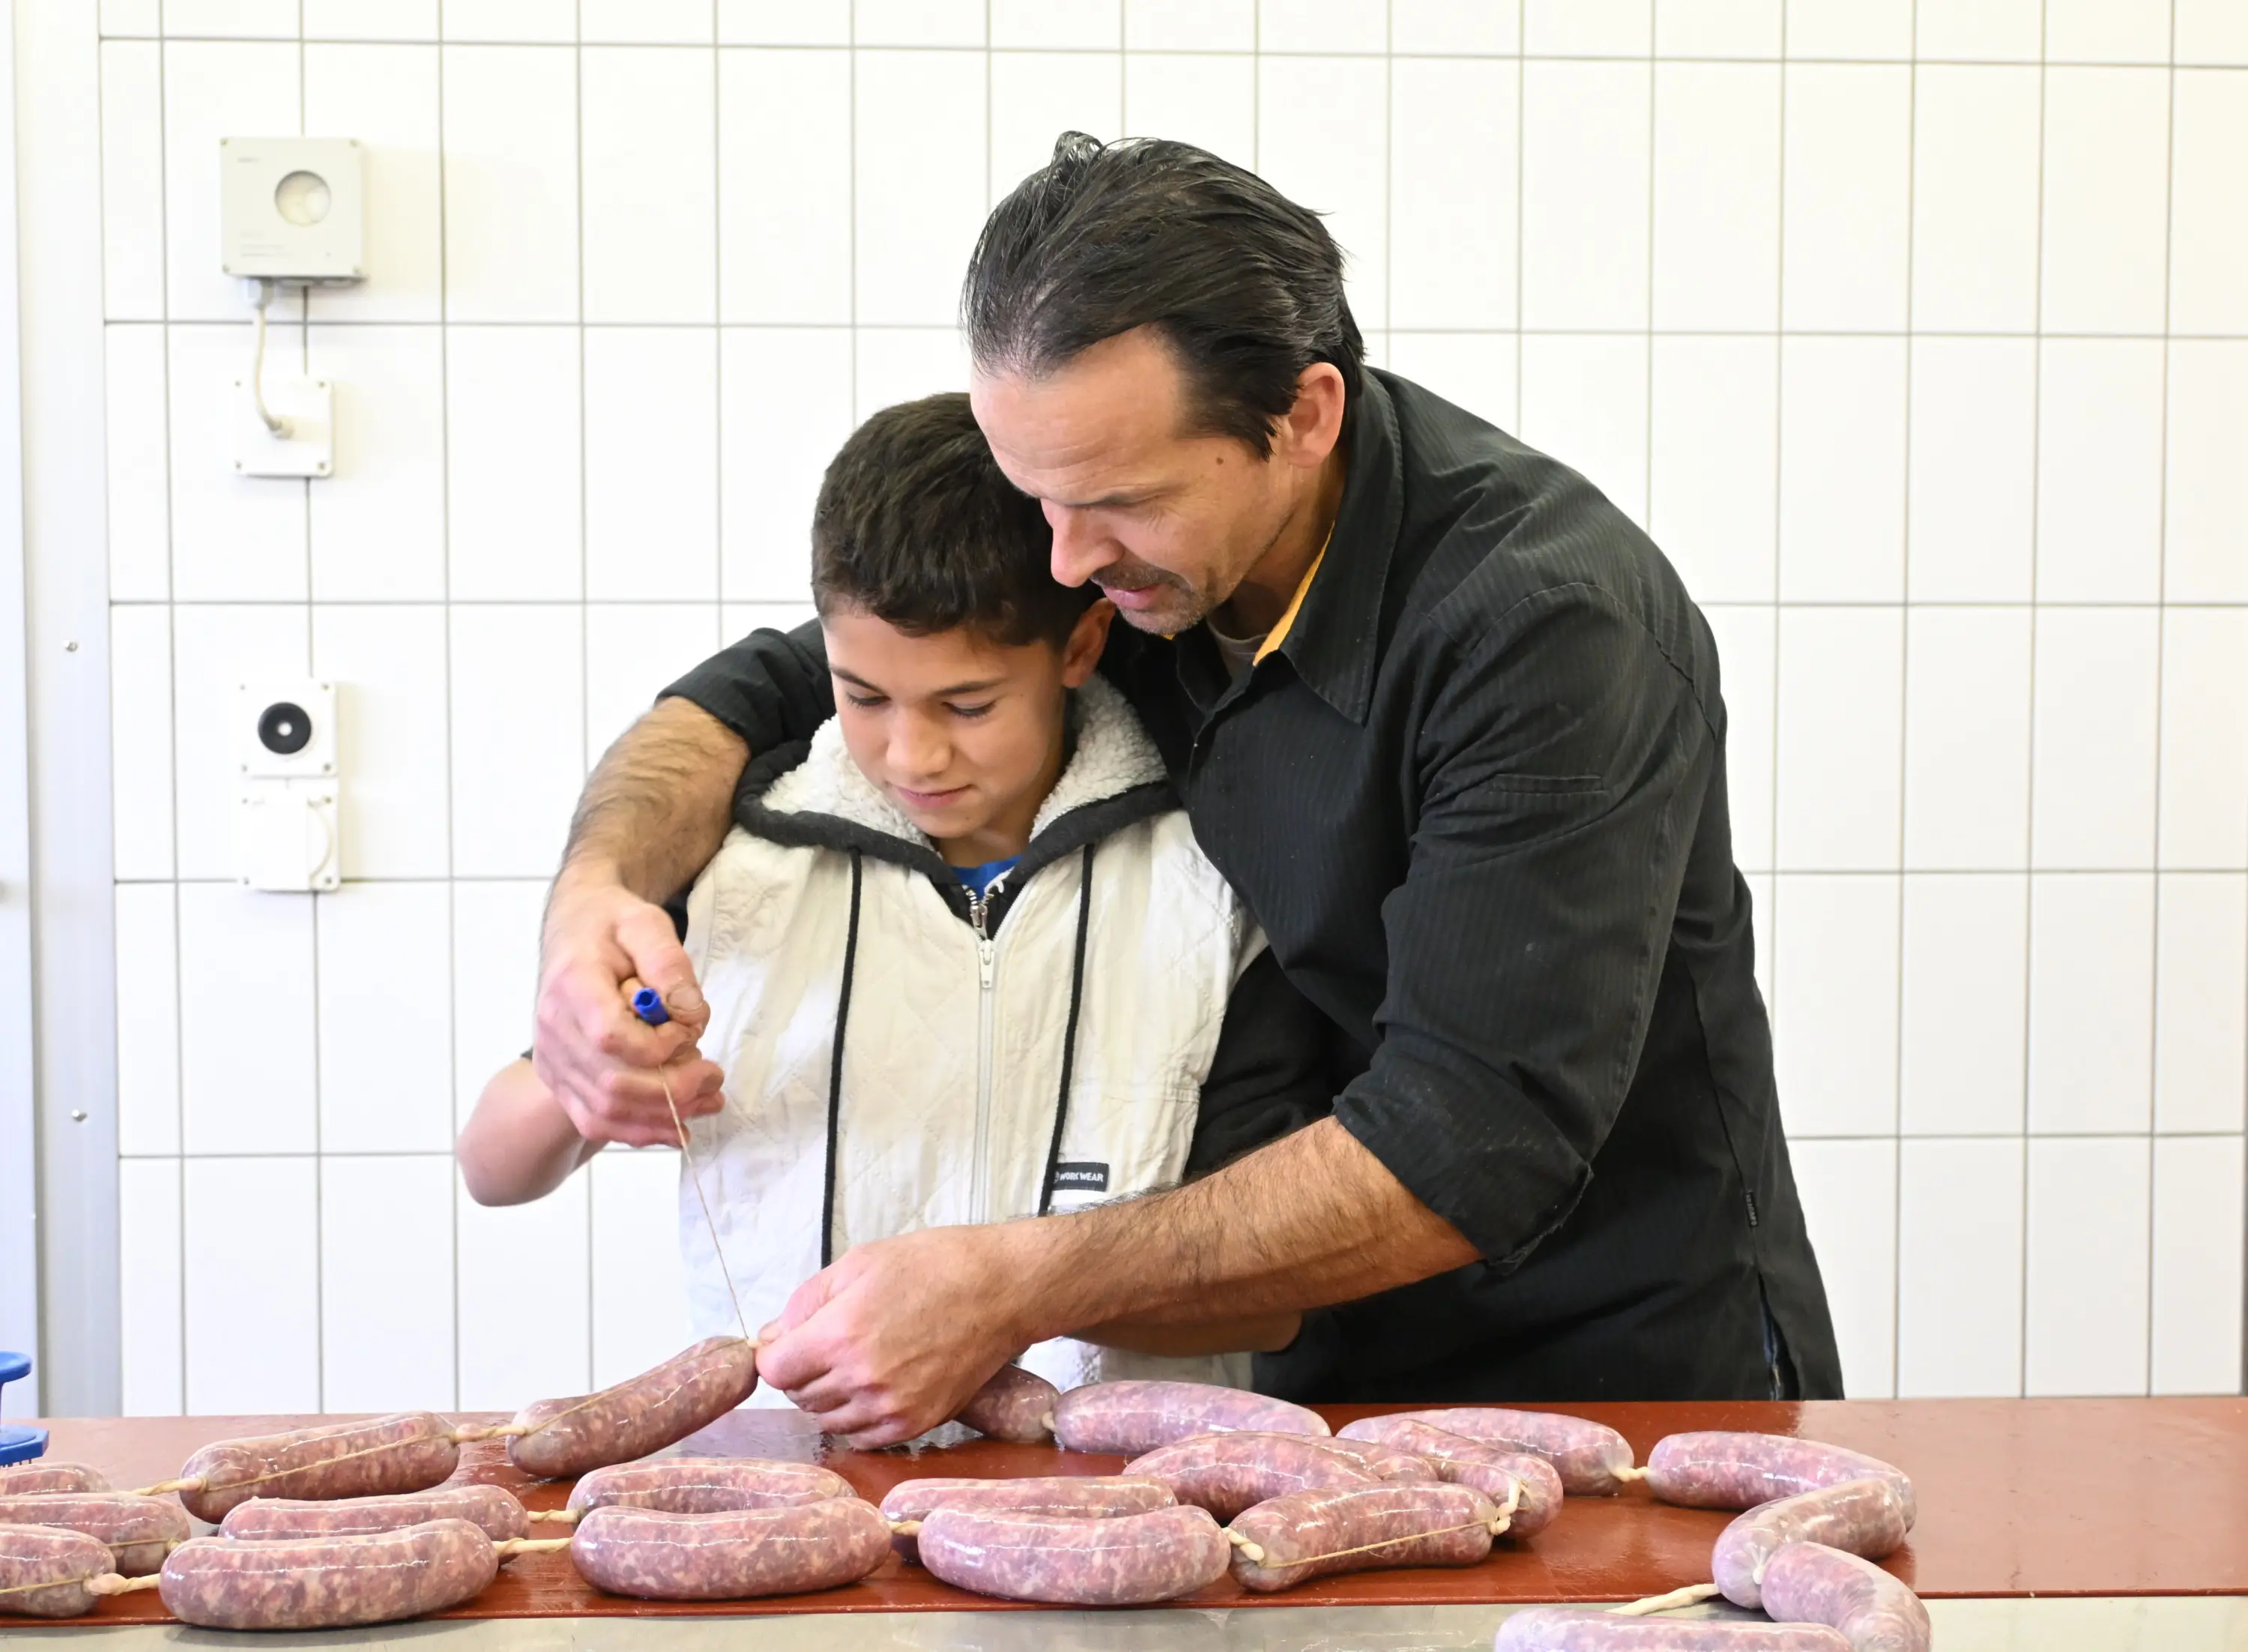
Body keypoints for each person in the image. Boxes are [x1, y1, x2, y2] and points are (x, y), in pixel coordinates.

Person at [533, 134, 1844, 1443]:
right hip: (1318, 1371)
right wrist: (595, 896)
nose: (1061, 556)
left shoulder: (1547, 627)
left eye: (1117, 502)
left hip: (1625, 1371)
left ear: (1306, 415)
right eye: (1032, 491)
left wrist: (1008, 1283)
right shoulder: (1119, 549)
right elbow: (769, 687)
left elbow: (1473, 1141)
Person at [459, 393, 1321, 1410]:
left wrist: (1005, 1296)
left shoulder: (1209, 877)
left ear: (1081, 648)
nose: (911, 755)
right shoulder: (740, 859)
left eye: (968, 706)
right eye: (862, 696)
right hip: (791, 1492)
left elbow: (1267, 1304)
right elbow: (492, 1166)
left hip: (1116, 1501)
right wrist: (586, 1080)